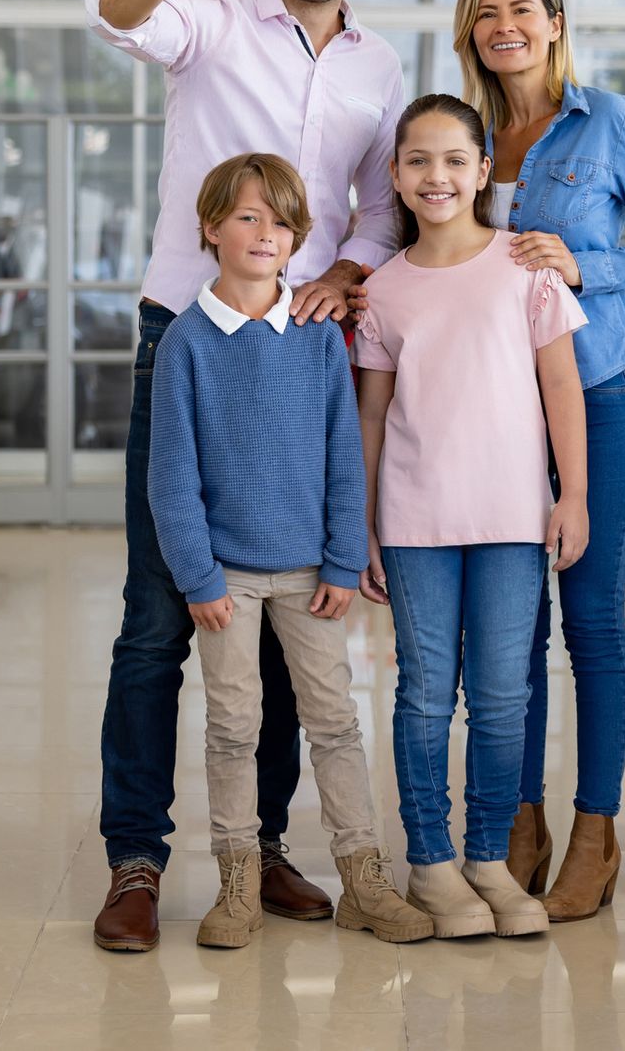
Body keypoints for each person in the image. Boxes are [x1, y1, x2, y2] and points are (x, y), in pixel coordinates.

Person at [79, 0, 405, 953]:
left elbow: (380, 208)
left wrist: (344, 272)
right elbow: (116, 18)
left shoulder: (380, 66)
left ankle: (259, 847)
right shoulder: (210, 24)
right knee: (159, 617)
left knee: (279, 627)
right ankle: (135, 859)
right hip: (188, 333)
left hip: (301, 343)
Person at [453, 0, 625, 921]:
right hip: (491, 407)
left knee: (591, 620)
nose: (504, 24)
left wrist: (583, 262)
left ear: (554, 21)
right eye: (486, 12)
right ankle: (521, 821)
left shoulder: (607, 121)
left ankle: (596, 830)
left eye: (522, 8)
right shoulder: (467, 135)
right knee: (511, 634)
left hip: (593, 394)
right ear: (471, 30)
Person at [149, 154, 433, 950]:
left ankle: (364, 880)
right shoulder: (185, 344)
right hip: (225, 582)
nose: (264, 233)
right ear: (211, 228)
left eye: (279, 221)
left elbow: (345, 456)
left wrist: (345, 560)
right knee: (234, 727)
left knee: (335, 722)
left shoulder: (317, 339)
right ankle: (238, 879)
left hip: (311, 574)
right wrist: (199, 576)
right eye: (246, 217)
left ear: (299, 235)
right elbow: (171, 480)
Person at [353, 93, 590, 939]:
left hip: (514, 519)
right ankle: (430, 863)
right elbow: (371, 416)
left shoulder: (524, 267)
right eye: (418, 160)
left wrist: (574, 497)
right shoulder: (382, 290)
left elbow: (561, 384)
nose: (437, 176)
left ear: (485, 171)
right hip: (414, 522)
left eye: (456, 160)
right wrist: (366, 527)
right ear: (395, 176)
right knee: (424, 697)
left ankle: (488, 856)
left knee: (501, 697)